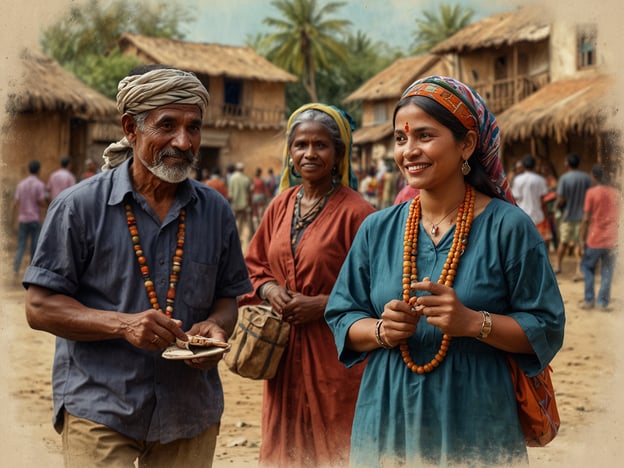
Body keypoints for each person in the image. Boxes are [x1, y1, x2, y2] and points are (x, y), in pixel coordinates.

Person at [325, 76, 565, 467]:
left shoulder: (509, 228)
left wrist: (473, 322)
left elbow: (547, 326)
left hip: (474, 419)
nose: (409, 151)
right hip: (387, 415)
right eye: (401, 140)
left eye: (424, 136)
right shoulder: (377, 228)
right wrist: (383, 330)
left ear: (467, 143)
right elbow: (342, 315)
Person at [23, 65, 252, 468]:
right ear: (131, 128)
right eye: (167, 125)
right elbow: (39, 307)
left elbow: (227, 300)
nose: (183, 141)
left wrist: (217, 327)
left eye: (194, 127)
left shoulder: (215, 210)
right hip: (100, 406)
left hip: (189, 411)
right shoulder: (79, 207)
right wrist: (123, 325)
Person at [240, 103, 376, 467]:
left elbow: (381, 291)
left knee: (336, 445)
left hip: (337, 357)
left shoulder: (359, 214)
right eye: (300, 145)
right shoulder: (280, 205)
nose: (309, 153)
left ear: (338, 155)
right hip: (283, 356)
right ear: (290, 153)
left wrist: (323, 305)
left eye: (320, 145)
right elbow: (254, 266)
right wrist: (270, 290)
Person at [578, 164, 620, 310]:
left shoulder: (592, 193)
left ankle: (589, 300)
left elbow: (585, 218)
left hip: (595, 238)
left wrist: (581, 238)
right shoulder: (617, 193)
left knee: (587, 267)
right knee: (607, 270)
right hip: (613, 239)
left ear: (594, 176)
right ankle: (602, 302)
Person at [554, 152, 592, 276]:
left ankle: (558, 266)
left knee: (563, 242)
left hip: (567, 216)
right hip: (582, 216)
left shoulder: (564, 178)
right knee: (580, 243)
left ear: (567, 164)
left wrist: (556, 206)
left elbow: (562, 198)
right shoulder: (586, 178)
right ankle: (579, 270)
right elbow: (589, 196)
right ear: (579, 164)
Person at [12, 160, 46, 277]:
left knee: (21, 245)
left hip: (23, 219)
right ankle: (32, 271)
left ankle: (15, 269)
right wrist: (45, 205)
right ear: (38, 170)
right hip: (35, 219)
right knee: (34, 245)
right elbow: (41, 200)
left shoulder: (21, 184)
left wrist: (15, 217)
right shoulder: (39, 184)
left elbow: (16, 202)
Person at [511, 154, 551, 244]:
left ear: (523, 166)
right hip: (538, 216)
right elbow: (543, 200)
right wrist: (546, 215)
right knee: (539, 242)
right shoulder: (541, 180)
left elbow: (515, 199)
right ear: (535, 166)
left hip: (522, 215)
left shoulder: (518, 180)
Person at [228, 161, 253, 241]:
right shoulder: (246, 179)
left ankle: (235, 238)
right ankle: (243, 241)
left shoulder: (231, 179)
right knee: (245, 224)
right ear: (242, 169)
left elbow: (230, 194)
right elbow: (250, 191)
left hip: (234, 204)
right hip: (244, 205)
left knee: (235, 222)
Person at [250, 167, 269, 231]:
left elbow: (251, 190)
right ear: (260, 173)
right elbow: (265, 190)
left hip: (255, 198)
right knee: (261, 214)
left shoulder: (253, 181)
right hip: (261, 198)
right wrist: (266, 198)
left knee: (255, 213)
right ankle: (261, 228)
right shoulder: (262, 181)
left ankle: (256, 229)